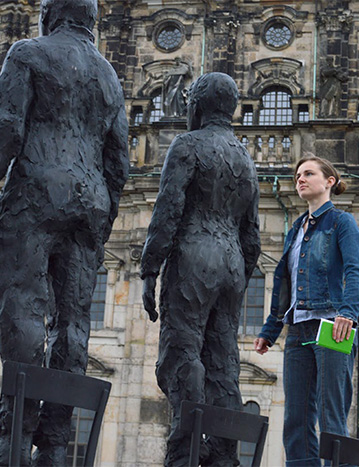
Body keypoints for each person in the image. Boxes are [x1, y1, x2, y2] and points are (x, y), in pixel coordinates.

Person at [0, 0, 129, 465]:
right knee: (75, 323)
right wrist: (106, 214)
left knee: (21, 309)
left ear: (48, 14)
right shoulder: (109, 76)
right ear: (92, 22)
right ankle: (55, 444)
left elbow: (6, 127)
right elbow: (118, 156)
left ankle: (14, 437)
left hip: (37, 190)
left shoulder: (27, 54)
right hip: (90, 201)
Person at [141, 72, 261, 467]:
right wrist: (240, 278)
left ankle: (183, 449)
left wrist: (149, 268)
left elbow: (169, 209)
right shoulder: (246, 158)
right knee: (224, 363)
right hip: (231, 264)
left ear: (197, 105)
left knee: (182, 352)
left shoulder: (187, 145)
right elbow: (252, 235)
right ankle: (225, 454)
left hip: (194, 256)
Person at [254, 155, 359, 466]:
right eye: (297, 175)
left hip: (333, 325)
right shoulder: (296, 228)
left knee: (332, 415)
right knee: (296, 418)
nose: (300, 179)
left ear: (329, 181)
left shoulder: (341, 222)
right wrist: (270, 330)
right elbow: (285, 284)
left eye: (308, 173)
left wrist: (348, 312)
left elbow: (357, 271)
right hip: (298, 330)